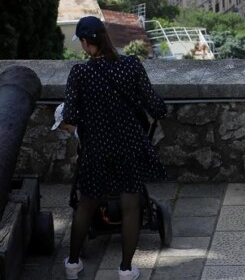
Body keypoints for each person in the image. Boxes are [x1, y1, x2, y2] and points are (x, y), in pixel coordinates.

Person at [60, 16, 167, 280]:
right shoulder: (131, 66)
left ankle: (72, 264)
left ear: (86, 44)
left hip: (96, 148)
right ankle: (127, 269)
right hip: (129, 145)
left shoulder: (80, 74)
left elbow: (70, 116)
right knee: (131, 205)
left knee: (86, 203)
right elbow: (155, 106)